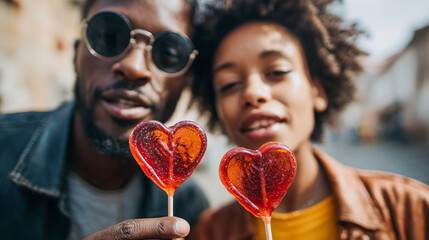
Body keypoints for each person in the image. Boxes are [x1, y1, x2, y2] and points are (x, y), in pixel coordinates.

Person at [189, 0, 429, 239]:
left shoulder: (412, 210)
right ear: (216, 107)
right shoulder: (208, 232)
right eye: (229, 84)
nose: (253, 93)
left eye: (277, 72)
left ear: (318, 91)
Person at [0, 0, 209, 239]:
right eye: (110, 36)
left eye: (169, 52)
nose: (134, 67)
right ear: (76, 53)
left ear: (187, 82)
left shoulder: (191, 209)